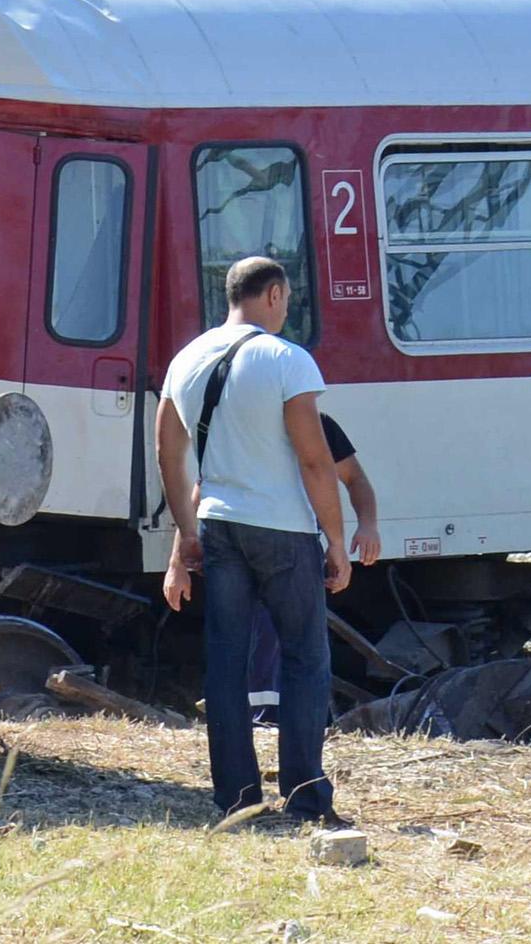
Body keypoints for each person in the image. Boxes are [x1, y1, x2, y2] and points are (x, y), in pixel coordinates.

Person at [156, 255, 351, 826]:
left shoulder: (185, 359)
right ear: (272, 295)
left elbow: (168, 454)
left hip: (219, 525)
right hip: (284, 528)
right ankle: (305, 795)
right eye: (286, 300)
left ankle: (236, 798)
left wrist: (186, 534)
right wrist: (335, 540)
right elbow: (316, 461)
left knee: (225, 662)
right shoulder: (287, 360)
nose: (286, 310)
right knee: (304, 659)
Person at [248, 414, 376, 720]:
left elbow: (355, 479)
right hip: (246, 542)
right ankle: (262, 716)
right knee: (259, 633)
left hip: (302, 542)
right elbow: (206, 485)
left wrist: (367, 526)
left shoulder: (320, 425)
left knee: (297, 637)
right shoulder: (243, 425)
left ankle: (291, 717)